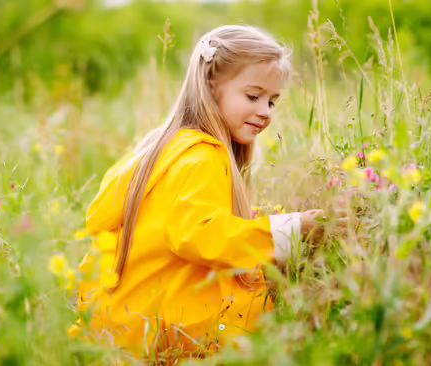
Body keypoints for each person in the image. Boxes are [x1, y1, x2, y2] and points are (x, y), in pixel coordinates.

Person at [71, 25, 339, 361]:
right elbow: (199, 233)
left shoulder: (165, 146)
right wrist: (291, 229)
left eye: (273, 101)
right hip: (163, 334)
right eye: (253, 96)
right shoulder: (202, 156)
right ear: (211, 88)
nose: (265, 111)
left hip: (126, 325)